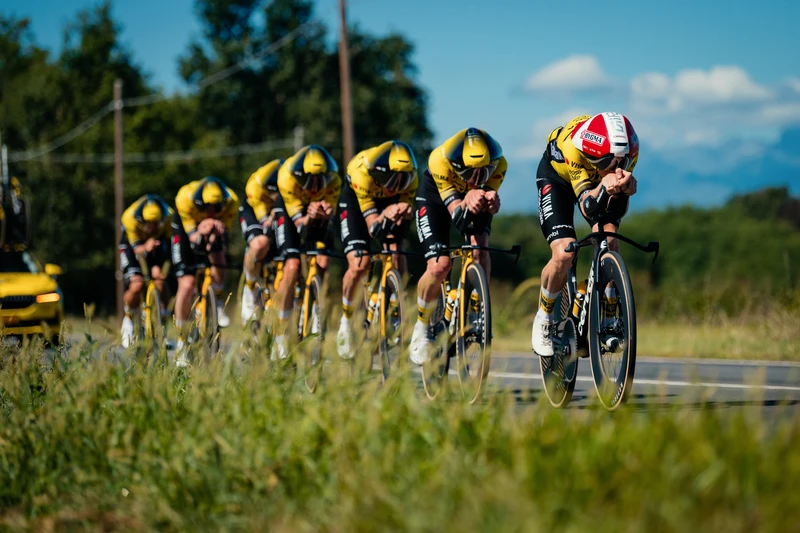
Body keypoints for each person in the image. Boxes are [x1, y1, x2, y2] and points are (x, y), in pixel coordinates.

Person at [531, 112, 639, 356]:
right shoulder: (574, 147)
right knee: (564, 252)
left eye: (620, 163)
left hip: (594, 184)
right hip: (557, 180)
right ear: (592, 155)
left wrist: (626, 188)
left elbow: (615, 210)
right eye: (607, 163)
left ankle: (609, 313)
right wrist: (603, 186)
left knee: (609, 239)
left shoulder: (630, 151)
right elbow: (588, 206)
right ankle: (545, 316)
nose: (614, 168)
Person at [410, 127, 507, 364]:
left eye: (484, 172)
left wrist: (491, 201)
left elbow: (485, 203)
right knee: (439, 266)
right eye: (469, 172)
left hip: (471, 199)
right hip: (435, 199)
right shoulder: (439, 159)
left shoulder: (500, 164)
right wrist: (469, 197)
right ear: (456, 165)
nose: (477, 178)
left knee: (480, 248)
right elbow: (458, 217)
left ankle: (477, 307)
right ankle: (421, 325)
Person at [336, 140, 418, 359]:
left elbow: (406, 214)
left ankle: (396, 309)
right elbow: (373, 228)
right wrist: (384, 215)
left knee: (397, 250)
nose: (395, 186)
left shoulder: (411, 180)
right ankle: (347, 320)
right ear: (378, 174)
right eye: (390, 179)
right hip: (356, 204)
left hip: (389, 204)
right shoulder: (361, 174)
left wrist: (405, 211)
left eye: (402, 180)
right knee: (359, 263)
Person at [272, 145, 341, 360]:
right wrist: (310, 216)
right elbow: (300, 225)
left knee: (324, 261)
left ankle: (316, 307)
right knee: (292, 266)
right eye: (307, 182)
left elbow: (329, 219)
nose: (313, 188)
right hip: (292, 213)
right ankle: (281, 333)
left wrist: (326, 214)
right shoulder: (286, 178)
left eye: (320, 182)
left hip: (317, 212)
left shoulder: (335, 182)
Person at [172, 176, 239, 366]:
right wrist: (200, 231)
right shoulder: (185, 199)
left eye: (216, 208)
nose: (210, 212)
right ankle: (182, 339)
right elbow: (193, 240)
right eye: (206, 208)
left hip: (212, 229)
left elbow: (217, 242)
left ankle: (216, 298)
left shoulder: (231, 202)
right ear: (198, 204)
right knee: (187, 284)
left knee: (218, 256)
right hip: (187, 229)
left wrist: (215, 233)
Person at [118, 194, 173, 348]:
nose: (152, 227)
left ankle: (162, 327)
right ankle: (129, 320)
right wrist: (146, 246)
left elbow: (169, 240)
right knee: (137, 284)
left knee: (160, 279)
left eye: (155, 223)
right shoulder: (129, 218)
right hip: (132, 245)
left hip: (156, 242)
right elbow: (136, 249)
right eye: (148, 224)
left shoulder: (169, 216)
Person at [239, 159, 283, 324]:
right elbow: (266, 225)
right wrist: (271, 218)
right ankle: (249, 288)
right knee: (260, 243)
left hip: (280, 208)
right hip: (254, 210)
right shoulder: (255, 187)